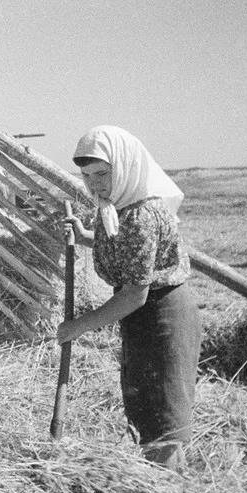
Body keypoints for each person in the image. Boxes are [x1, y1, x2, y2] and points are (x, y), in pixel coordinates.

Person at [58, 126, 201, 469]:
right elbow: (129, 253)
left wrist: (77, 326)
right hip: (144, 315)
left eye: (102, 174)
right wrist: (85, 235)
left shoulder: (140, 214)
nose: (94, 184)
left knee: (163, 418)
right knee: (148, 412)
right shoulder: (117, 207)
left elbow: (135, 293)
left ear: (124, 166)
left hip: (161, 314)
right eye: (87, 176)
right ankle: (163, 486)